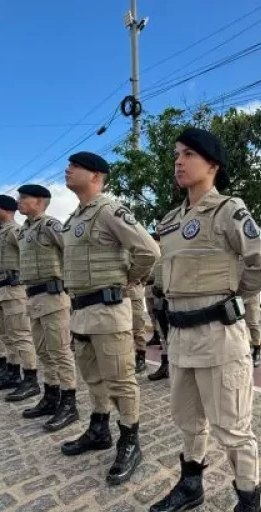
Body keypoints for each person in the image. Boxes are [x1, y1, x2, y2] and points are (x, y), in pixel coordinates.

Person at [148, 128, 261, 512]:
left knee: (234, 431)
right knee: (188, 422)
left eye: (189, 155)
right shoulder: (168, 222)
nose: (179, 161)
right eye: (177, 154)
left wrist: (227, 296)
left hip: (220, 339)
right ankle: (191, 485)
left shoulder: (228, 211)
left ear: (212, 165)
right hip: (180, 341)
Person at [59, 151, 159, 486]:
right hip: (81, 312)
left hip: (108, 310)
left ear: (96, 176)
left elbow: (149, 250)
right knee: (92, 377)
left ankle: (130, 441)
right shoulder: (74, 218)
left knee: (120, 380)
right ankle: (99, 428)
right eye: (69, 165)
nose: (68, 169)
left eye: (76, 166)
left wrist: (130, 278)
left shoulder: (109, 210)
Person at [15, 184, 78, 431]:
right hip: (33, 297)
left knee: (60, 352)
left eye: (24, 197)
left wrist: (70, 285)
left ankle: (69, 403)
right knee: (42, 351)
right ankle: (51, 396)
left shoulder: (50, 225)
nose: (19, 201)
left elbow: (71, 251)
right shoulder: (24, 230)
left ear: (40, 201)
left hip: (53, 297)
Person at [0, 194, 39, 393]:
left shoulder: (15, 231)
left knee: (21, 336)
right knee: (6, 335)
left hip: (13, 289)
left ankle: (31, 379)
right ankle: (13, 372)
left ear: (6, 210)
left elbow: (30, 255)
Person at [147, 232, 170, 381]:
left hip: (176, 300)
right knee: (164, 336)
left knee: (177, 336)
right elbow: (151, 276)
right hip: (161, 301)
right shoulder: (160, 257)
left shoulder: (176, 253)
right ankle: (165, 366)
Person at [128, 282, 148, 373]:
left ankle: (141, 358)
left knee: (138, 328)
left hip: (134, 294)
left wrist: (137, 283)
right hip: (118, 296)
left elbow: (145, 273)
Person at [242, 293, 261, 367]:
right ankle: (243, 351)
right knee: (237, 324)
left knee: (253, 323)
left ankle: (257, 351)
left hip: (251, 294)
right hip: (235, 295)